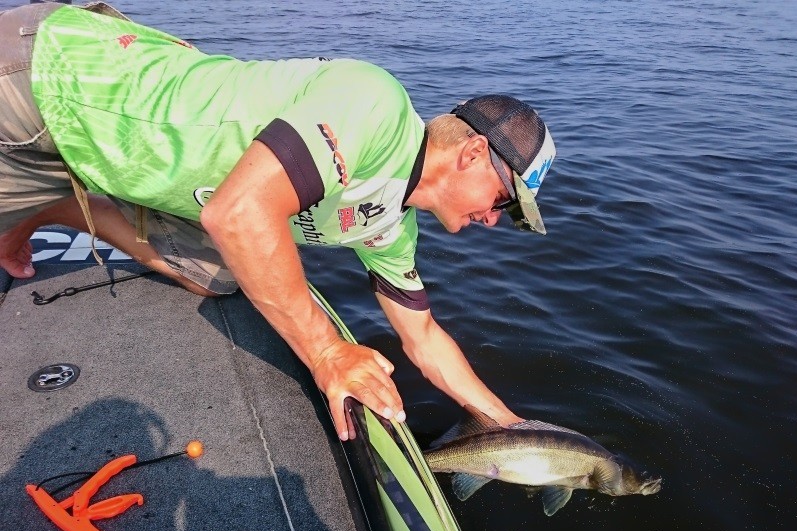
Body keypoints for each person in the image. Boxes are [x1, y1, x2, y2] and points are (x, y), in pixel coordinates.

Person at [0, 2, 556, 441]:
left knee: (219, 275)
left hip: (94, 148)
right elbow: (239, 213)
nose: (494, 222)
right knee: (243, 230)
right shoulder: (374, 104)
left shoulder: (391, 226)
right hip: (52, 76)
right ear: (474, 152)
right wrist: (326, 351)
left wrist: (513, 429)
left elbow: (424, 337)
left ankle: (56, 207)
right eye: (505, 202)